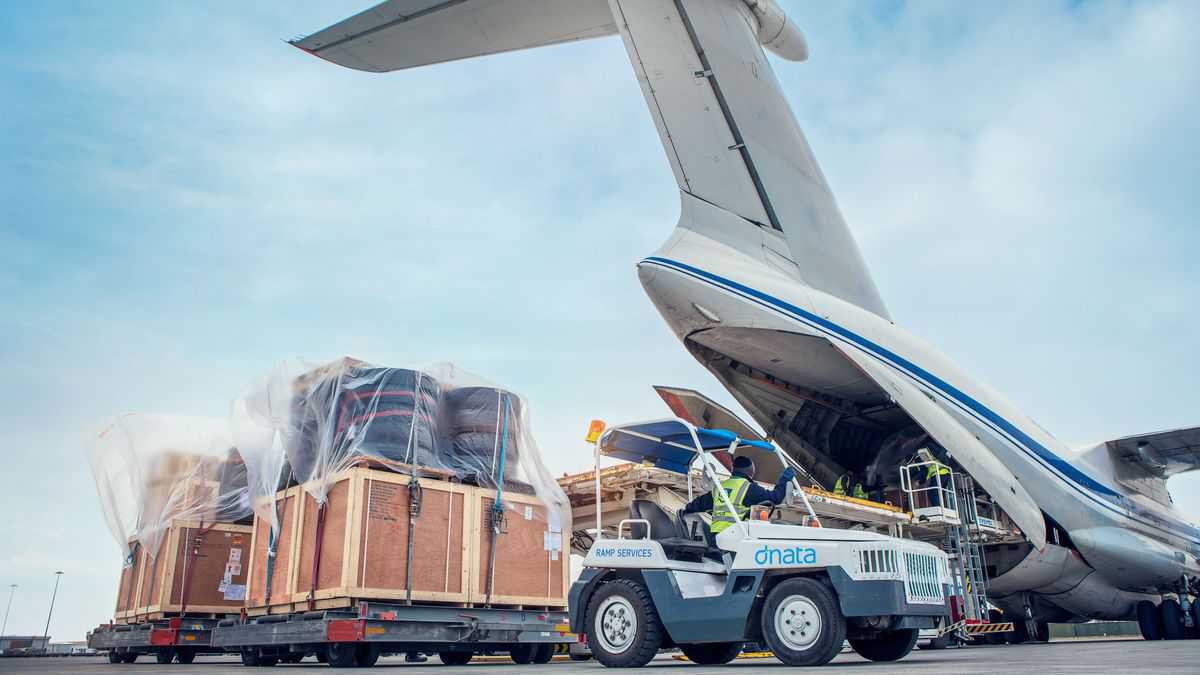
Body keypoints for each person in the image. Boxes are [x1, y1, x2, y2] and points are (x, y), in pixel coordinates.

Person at [682, 455, 796, 534]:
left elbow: (700, 503)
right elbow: (776, 498)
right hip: (737, 537)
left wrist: (685, 510)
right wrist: (784, 479)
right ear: (751, 472)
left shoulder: (720, 487)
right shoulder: (750, 489)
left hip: (716, 537)